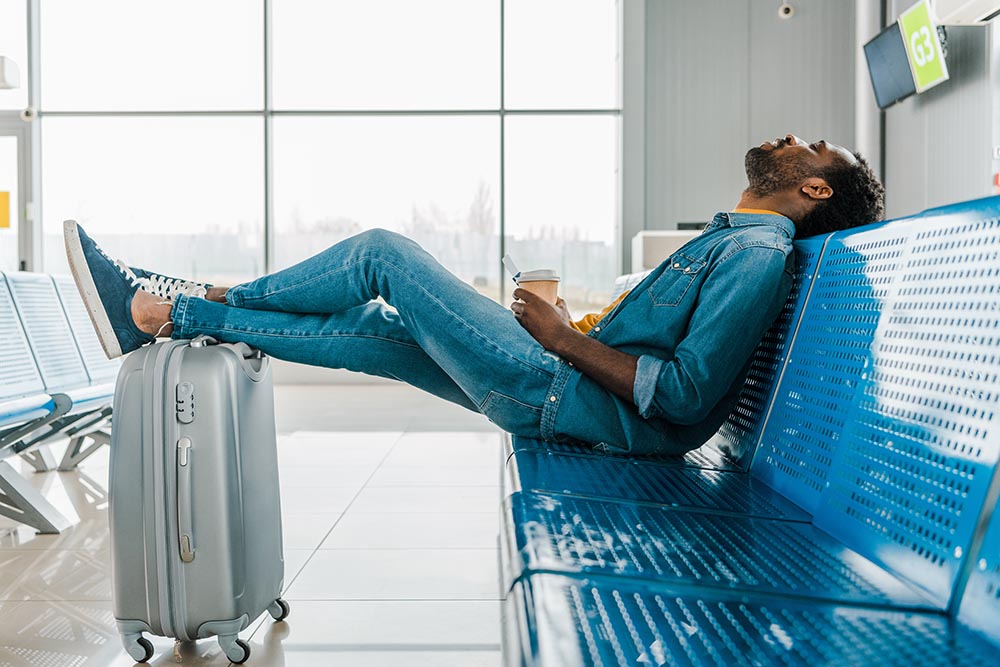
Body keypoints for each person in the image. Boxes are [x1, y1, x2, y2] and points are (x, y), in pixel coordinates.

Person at [64, 134, 884, 456]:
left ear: (813, 187)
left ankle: (172, 302)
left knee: (382, 254)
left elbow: (685, 395)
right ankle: (166, 312)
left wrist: (564, 339)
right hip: (557, 384)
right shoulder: (739, 243)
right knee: (374, 326)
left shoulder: (758, 252)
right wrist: (577, 331)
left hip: (554, 382)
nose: (786, 138)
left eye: (808, 145)